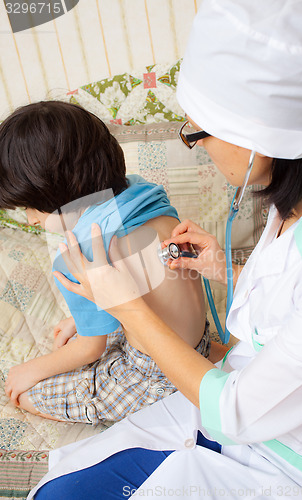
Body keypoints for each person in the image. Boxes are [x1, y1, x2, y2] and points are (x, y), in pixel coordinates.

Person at [28, 0, 302, 498]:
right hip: (222, 398)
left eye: (199, 133)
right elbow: (281, 304)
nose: (200, 146)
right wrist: (220, 268)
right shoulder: (297, 200)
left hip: (284, 457)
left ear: (258, 136)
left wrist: (123, 304)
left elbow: (236, 411)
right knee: (56, 489)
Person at [1, 100, 214, 424]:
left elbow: (91, 350)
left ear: (57, 192)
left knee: (28, 393)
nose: (30, 220)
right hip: (198, 344)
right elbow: (145, 278)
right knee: (78, 331)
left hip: (156, 377)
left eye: (30, 207)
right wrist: (82, 318)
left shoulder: (77, 252)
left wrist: (28, 370)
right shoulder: (145, 192)